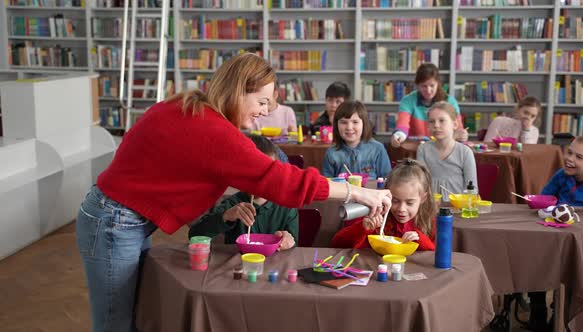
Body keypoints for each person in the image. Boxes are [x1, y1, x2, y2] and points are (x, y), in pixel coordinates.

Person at [75, 53, 392, 332]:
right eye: (262, 102)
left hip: (119, 214)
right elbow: (283, 181)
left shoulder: (192, 106)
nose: (266, 111)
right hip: (116, 220)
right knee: (115, 322)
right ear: (239, 90)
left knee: (129, 314)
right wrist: (359, 193)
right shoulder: (213, 129)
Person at [522, 136, 583, 331]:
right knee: (535, 257)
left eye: (579, 157)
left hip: (582, 238)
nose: (570, 158)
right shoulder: (561, 175)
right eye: (569, 152)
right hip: (554, 233)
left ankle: (563, 313)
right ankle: (538, 308)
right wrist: (537, 202)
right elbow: (544, 198)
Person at [188, 134, 298, 250]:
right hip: (240, 266)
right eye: (253, 174)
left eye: (267, 173)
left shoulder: (287, 206)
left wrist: (289, 241)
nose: (261, 181)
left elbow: (294, 244)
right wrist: (226, 216)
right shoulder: (233, 204)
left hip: (276, 266)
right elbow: (195, 235)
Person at [331, 159, 436, 251]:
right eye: (395, 201)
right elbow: (337, 243)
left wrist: (420, 240)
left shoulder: (428, 221)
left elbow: (435, 254)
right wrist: (362, 228)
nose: (401, 209)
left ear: (423, 198)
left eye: (409, 203)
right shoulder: (374, 214)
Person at [390, 63, 468, 148]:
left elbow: (458, 128)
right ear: (417, 85)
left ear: (438, 84)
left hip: (444, 149)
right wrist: (399, 135)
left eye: (432, 85)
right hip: (416, 149)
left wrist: (461, 135)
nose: (428, 90)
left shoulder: (450, 101)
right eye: (424, 86)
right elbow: (402, 124)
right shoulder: (407, 101)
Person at [417, 101, 477, 201]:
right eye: (432, 121)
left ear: (455, 124)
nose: (436, 125)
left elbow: (472, 189)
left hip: (457, 207)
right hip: (430, 206)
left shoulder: (465, 153)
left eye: (442, 120)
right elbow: (420, 183)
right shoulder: (423, 149)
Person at [321, 100, 391, 179]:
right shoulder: (331, 154)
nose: (349, 127)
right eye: (343, 122)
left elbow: (387, 180)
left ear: (364, 124)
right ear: (336, 125)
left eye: (355, 122)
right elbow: (326, 184)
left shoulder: (378, 149)